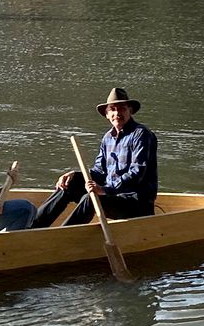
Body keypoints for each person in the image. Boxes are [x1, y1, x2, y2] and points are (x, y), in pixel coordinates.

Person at [33, 87, 157, 228]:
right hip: (111, 196)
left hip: (135, 203)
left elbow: (137, 173)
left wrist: (104, 190)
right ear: (107, 113)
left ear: (130, 110)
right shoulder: (107, 138)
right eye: (113, 109)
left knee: (91, 199)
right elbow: (99, 173)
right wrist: (73, 175)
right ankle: (33, 228)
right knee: (70, 183)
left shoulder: (141, 134)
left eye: (122, 108)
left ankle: (63, 236)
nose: (117, 113)